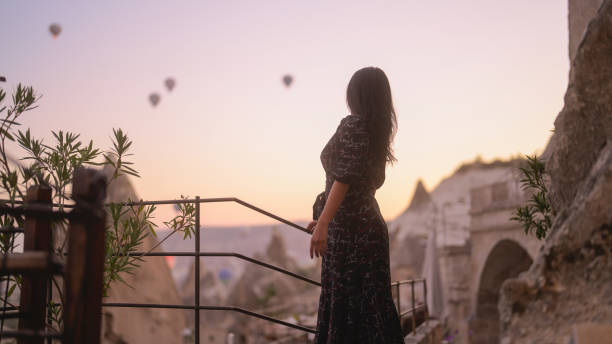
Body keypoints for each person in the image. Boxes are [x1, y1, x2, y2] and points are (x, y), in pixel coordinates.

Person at [307, 67, 404, 343]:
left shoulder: (354, 125)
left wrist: (325, 223)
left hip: (351, 235)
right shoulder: (376, 133)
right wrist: (326, 216)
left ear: (357, 94)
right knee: (370, 308)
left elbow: (345, 177)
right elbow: (361, 184)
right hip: (368, 230)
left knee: (345, 307)